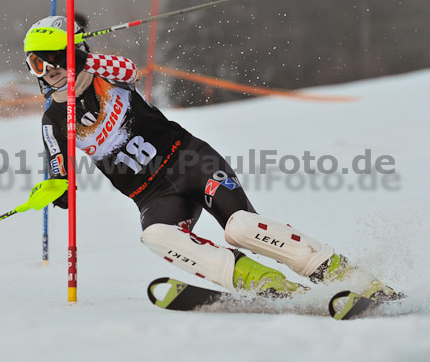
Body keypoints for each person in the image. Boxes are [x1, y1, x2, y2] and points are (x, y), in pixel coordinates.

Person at [23, 15, 400, 299]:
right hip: (153, 196)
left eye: (53, 60)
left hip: (189, 161)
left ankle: (345, 275)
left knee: (241, 228)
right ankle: (263, 282)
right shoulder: (53, 120)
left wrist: (83, 59)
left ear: (74, 54)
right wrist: (54, 191)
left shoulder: (107, 76)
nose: (49, 72)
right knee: (156, 235)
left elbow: (129, 69)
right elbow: (62, 178)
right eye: (36, 64)